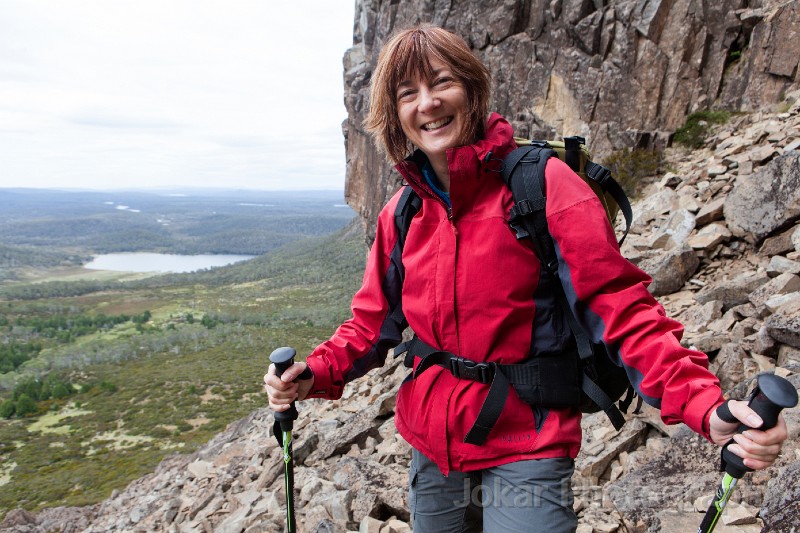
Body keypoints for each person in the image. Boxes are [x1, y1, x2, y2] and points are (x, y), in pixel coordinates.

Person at [265, 24, 789, 532]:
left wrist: (704, 406)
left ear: (472, 90)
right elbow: (370, 325)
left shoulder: (543, 186)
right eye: (408, 93)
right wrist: (312, 374)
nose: (427, 103)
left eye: (442, 82)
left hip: (527, 443)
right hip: (433, 444)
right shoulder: (402, 214)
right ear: (394, 114)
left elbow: (621, 309)